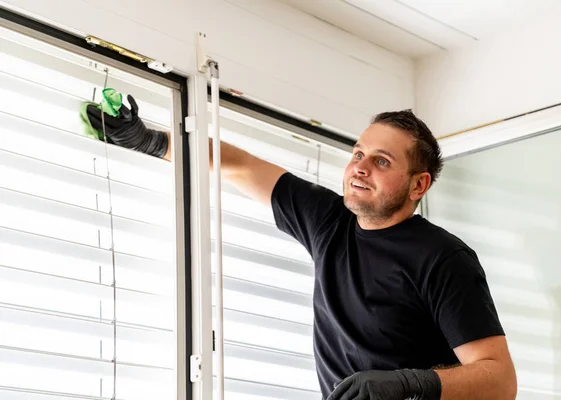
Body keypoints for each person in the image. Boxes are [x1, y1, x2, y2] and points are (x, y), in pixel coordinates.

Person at [95, 101, 517, 399]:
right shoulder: (328, 221)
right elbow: (239, 164)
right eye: (358, 153)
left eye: (383, 161)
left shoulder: (443, 258)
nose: (360, 167)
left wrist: (408, 384)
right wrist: (149, 140)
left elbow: (500, 381)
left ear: (418, 185)